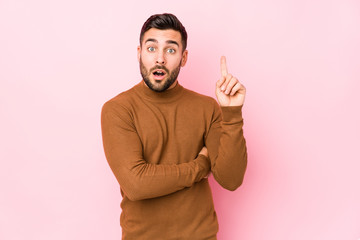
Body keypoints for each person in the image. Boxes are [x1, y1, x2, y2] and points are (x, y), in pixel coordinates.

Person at [101, 13, 247, 240]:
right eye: (151, 49)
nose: (160, 59)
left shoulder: (207, 107)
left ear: (184, 57)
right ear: (139, 54)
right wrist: (200, 165)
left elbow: (231, 180)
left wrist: (232, 113)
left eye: (170, 50)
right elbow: (136, 184)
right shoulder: (118, 109)